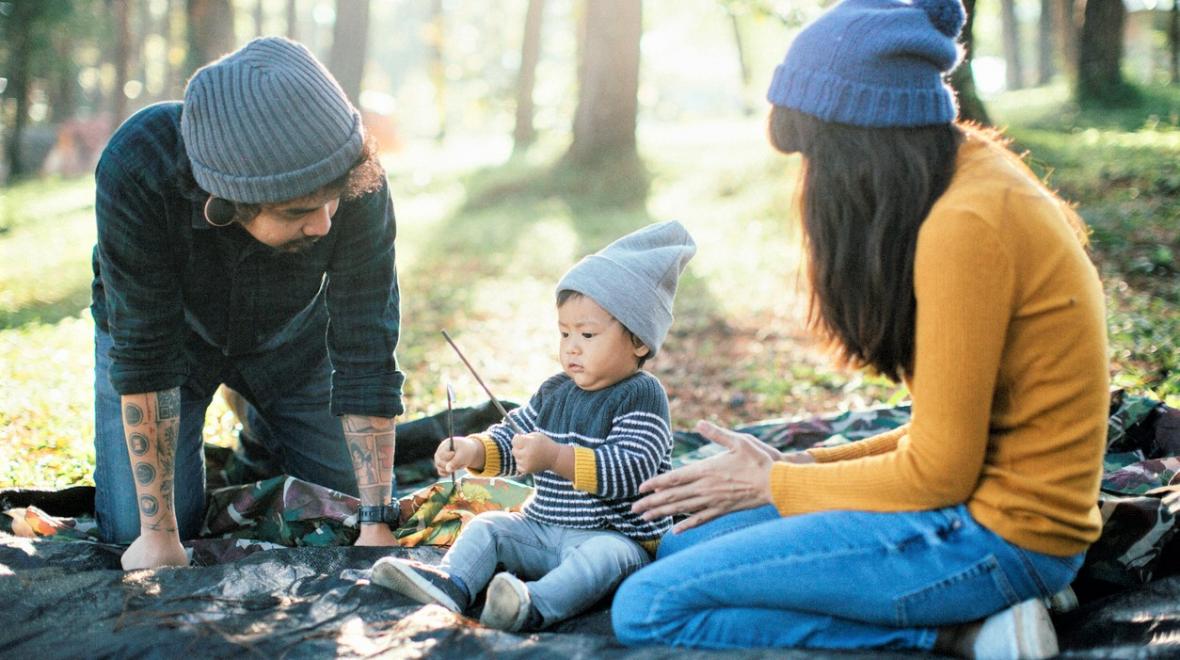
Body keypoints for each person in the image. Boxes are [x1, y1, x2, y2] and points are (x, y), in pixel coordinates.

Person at [611, 1, 1109, 657]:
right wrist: (797, 464)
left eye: (813, 153)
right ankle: (979, 610)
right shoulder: (965, 172)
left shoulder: (966, 226)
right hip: (978, 507)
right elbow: (948, 439)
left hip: (1002, 537)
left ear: (858, 147)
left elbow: (938, 475)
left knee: (647, 608)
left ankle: (961, 631)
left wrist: (773, 485)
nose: (809, 179)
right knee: (682, 540)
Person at [92, 37, 405, 571]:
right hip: (173, 344)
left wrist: (375, 521)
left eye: (332, 197)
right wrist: (160, 532)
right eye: (298, 210)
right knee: (131, 533)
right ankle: (242, 402)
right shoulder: (137, 166)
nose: (325, 222)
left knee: (349, 513)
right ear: (225, 204)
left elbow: (365, 344)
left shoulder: (353, 174)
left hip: (295, 338)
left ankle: (263, 417)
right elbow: (145, 350)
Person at [369, 221, 696, 632]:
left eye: (588, 334)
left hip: (614, 534)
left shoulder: (641, 395)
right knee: (489, 526)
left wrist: (556, 457)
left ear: (640, 342)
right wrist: (473, 449)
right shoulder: (556, 390)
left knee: (602, 561)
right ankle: (451, 584)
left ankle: (531, 605)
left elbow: (631, 471)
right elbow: (513, 436)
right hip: (542, 526)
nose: (572, 346)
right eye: (564, 333)